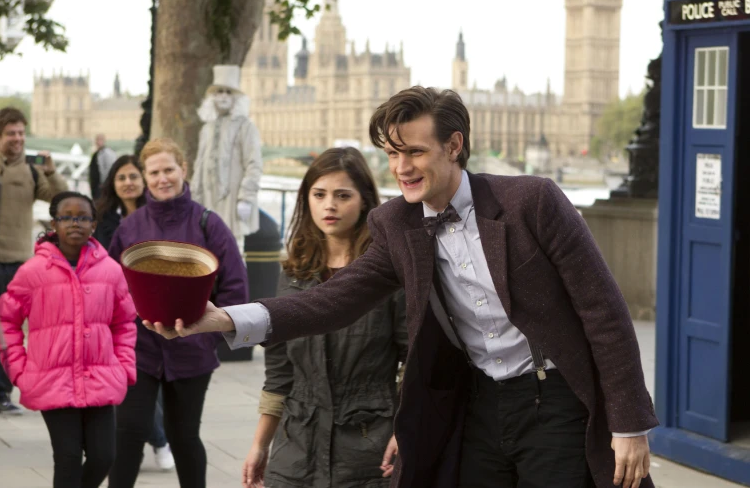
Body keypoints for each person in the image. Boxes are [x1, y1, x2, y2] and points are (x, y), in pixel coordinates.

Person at [149, 87, 660, 488]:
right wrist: (224, 319)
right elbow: (334, 299)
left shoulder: (533, 202)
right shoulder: (396, 223)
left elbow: (604, 312)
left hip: (554, 400)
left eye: (414, 152)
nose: (400, 168)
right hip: (477, 403)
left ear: (454, 145)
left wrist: (629, 425)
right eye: (392, 154)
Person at [242, 148, 407, 488]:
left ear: (364, 201)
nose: (329, 205)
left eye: (342, 195)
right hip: (296, 446)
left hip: (368, 447)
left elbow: (415, 360)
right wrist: (260, 445)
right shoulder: (293, 274)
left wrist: (406, 431)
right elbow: (279, 374)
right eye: (319, 195)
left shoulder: (388, 274)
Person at [108, 138, 249, 488]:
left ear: (183, 170)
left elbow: (235, 286)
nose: (162, 178)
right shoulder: (130, 228)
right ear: (145, 176)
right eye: (154, 172)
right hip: (138, 351)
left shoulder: (208, 224)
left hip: (191, 352)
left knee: (183, 437)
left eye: (169, 169)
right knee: (127, 435)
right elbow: (109, 285)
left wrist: (210, 336)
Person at [0, 191, 137, 488]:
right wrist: (18, 370)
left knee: (103, 457)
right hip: (52, 382)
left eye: (83, 217)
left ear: (94, 224)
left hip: (101, 377)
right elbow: (3, 320)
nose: (75, 223)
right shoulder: (32, 272)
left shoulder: (111, 271)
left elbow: (124, 323)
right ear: (54, 223)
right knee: (68, 458)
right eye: (67, 217)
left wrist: (123, 367)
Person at [0, 107, 68, 418]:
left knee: (12, 334)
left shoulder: (34, 171)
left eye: (22, 133)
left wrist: (51, 171)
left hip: (23, 265)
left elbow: (63, 202)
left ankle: (0, 394)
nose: (18, 139)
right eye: (11, 133)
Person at [93, 155, 174, 470]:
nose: (128, 183)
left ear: (144, 181)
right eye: (121, 177)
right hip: (115, 311)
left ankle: (157, 437)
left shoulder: (160, 217)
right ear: (113, 184)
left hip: (156, 308)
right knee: (129, 379)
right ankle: (158, 439)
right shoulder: (102, 220)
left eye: (133, 176)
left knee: (156, 379)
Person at [190, 64, 263, 254]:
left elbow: (254, 164)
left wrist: (246, 198)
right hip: (208, 203)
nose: (222, 96)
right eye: (219, 92)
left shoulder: (245, 126)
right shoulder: (206, 128)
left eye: (228, 92)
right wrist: (194, 200)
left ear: (235, 98)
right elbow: (199, 166)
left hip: (233, 204)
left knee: (234, 254)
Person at [89, 133, 117, 200]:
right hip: (95, 186)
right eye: (97, 140)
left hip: (102, 186)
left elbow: (109, 170)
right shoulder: (96, 153)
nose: (98, 142)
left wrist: (104, 184)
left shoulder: (107, 153)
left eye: (100, 139)